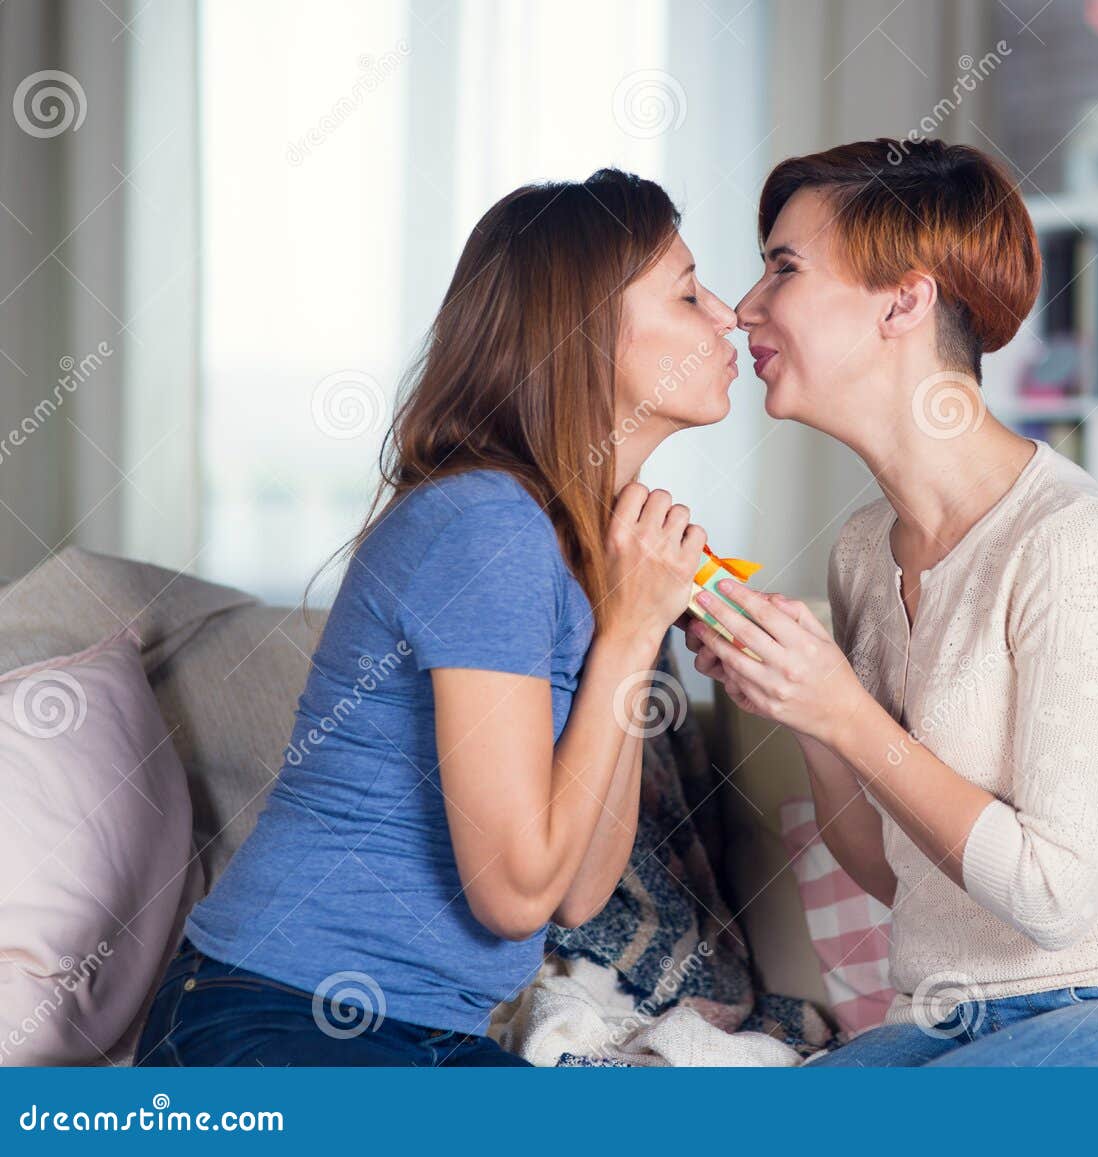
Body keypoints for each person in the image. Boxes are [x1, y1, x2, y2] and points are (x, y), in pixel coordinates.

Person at [686, 139, 1098, 1067]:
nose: (743, 308)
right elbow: (900, 871)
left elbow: (1053, 897)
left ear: (905, 300)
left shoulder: (1071, 540)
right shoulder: (859, 550)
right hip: (952, 1022)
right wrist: (806, 711)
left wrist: (842, 702)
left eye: (782, 269)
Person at [137, 170, 739, 1066]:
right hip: (269, 1017)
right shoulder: (486, 526)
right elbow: (514, 892)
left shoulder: (560, 547)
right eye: (689, 292)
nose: (726, 314)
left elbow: (576, 890)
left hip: (427, 1036)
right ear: (583, 333)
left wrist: (637, 622)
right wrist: (625, 632)